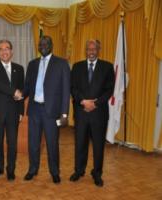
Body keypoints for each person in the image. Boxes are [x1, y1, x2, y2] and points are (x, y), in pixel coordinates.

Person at [22, 35, 70, 184]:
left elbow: (65, 90)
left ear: (51, 45)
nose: (43, 46)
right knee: (33, 143)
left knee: (52, 143)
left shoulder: (62, 63)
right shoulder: (32, 64)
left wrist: (64, 113)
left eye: (46, 43)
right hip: (34, 109)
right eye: (40, 43)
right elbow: (27, 87)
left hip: (52, 112)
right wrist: (18, 95)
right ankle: (32, 169)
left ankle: (54, 172)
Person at [70, 39, 115, 187]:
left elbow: (109, 90)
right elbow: (73, 88)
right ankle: (79, 170)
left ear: (98, 50)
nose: (91, 51)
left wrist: (95, 103)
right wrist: (83, 101)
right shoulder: (76, 67)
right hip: (81, 111)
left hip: (99, 113)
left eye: (94, 49)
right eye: (88, 49)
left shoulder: (107, 67)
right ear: (85, 50)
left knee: (98, 145)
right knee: (80, 143)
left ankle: (97, 173)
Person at [0, 39, 24, 181]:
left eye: (7, 48)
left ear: (11, 51)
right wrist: (14, 91)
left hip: (14, 113)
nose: (4, 51)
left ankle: (11, 170)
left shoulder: (19, 68)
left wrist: (21, 111)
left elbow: (21, 91)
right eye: (1, 49)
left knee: (12, 143)